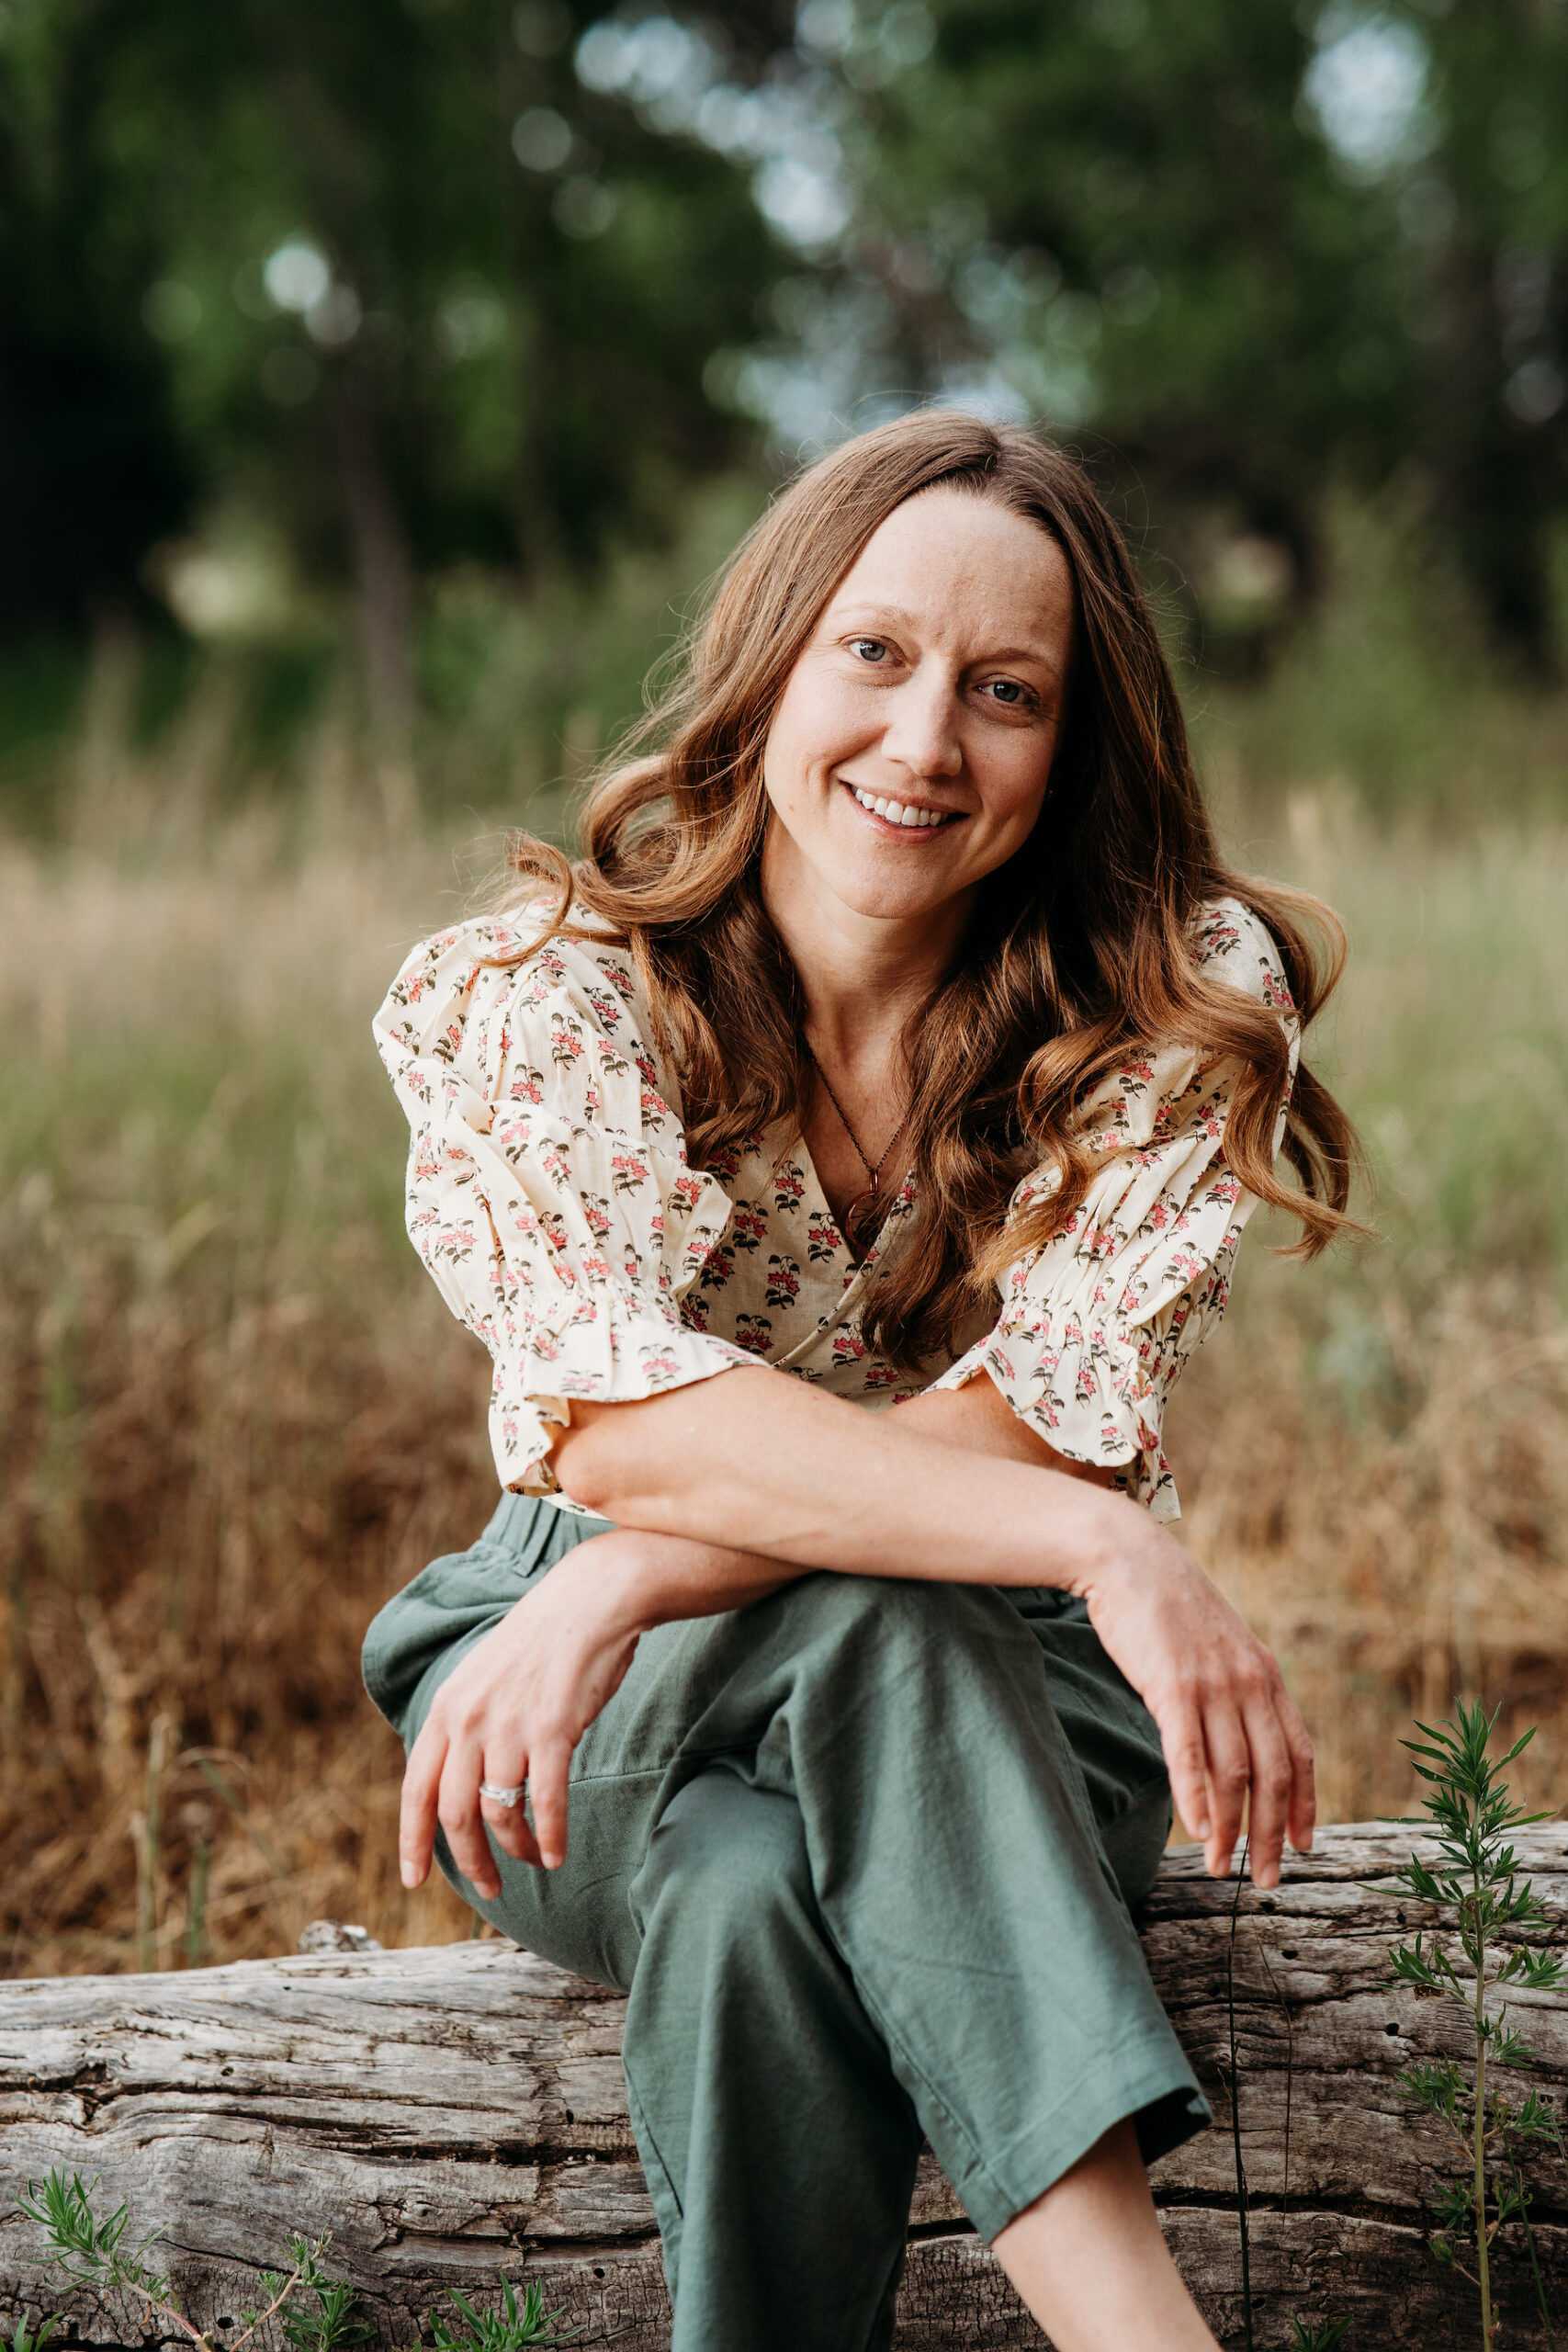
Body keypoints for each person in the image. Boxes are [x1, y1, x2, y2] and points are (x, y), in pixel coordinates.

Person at [360, 406, 1367, 2352]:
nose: (925, 743)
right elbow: (626, 1424)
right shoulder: (545, 991)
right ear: (770, 665)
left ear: (1073, 741)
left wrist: (626, 1576)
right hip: (575, 1725)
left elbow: (1024, 1424)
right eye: (876, 654)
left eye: (1006, 691)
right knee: (882, 1621)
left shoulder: (1165, 998)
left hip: (982, 1698)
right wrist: (1101, 1538)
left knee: (754, 1880)